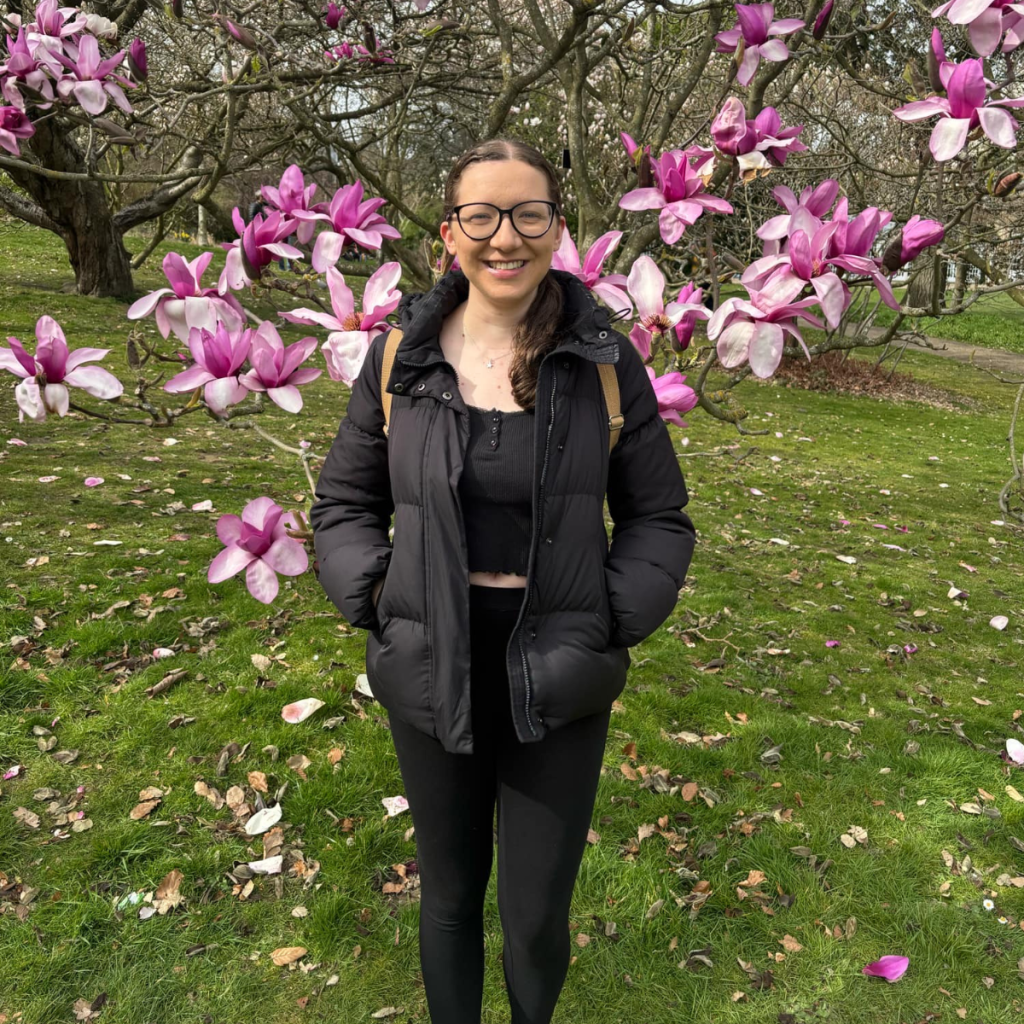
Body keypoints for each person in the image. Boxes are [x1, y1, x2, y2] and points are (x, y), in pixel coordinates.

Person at [309, 138, 696, 1024]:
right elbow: (343, 502)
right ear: (451, 233)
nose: (505, 237)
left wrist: (609, 619)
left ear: (556, 228)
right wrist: (374, 598)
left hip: (558, 657)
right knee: (447, 897)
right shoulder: (397, 361)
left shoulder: (603, 360)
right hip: (432, 654)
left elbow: (659, 518)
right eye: (481, 216)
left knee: (532, 915)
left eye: (528, 214)